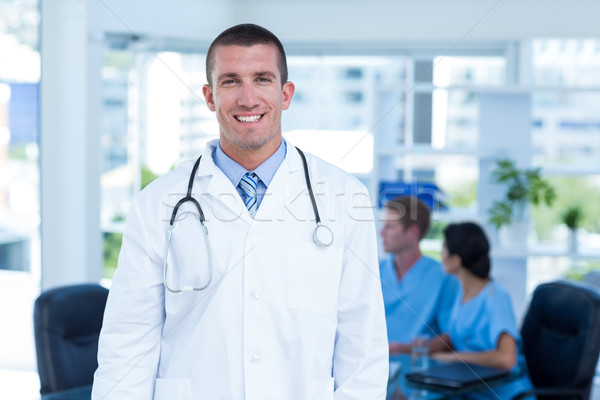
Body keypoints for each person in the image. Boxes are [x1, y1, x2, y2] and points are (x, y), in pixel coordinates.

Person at [91, 24, 388, 399]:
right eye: (231, 81)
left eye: (262, 79)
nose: (248, 99)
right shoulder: (157, 204)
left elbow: (363, 346)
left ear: (286, 93)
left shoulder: (345, 197)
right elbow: (128, 343)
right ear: (210, 96)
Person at [429, 222, 534, 400]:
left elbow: (507, 359)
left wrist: (456, 358)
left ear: (456, 260)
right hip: (473, 391)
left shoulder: (495, 297)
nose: (441, 255)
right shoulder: (462, 291)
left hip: (504, 395)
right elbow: (467, 334)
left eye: (444, 249)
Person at [379, 195, 458, 353]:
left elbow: (449, 337)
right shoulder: (374, 271)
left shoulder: (443, 277)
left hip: (418, 367)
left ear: (412, 232)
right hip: (371, 366)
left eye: (390, 227)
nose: (381, 233)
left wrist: (404, 349)